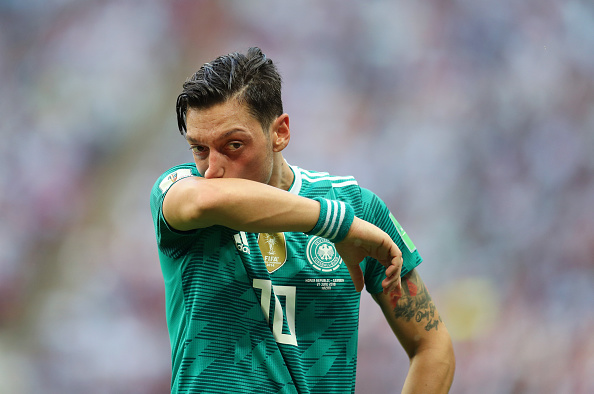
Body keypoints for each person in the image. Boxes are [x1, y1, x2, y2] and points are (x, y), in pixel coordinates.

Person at [150, 47, 455, 393]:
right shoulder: (178, 192)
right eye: (200, 149)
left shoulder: (357, 206)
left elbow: (433, 346)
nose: (213, 170)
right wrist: (337, 225)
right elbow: (203, 201)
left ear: (279, 132)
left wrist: (343, 219)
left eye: (233, 145)